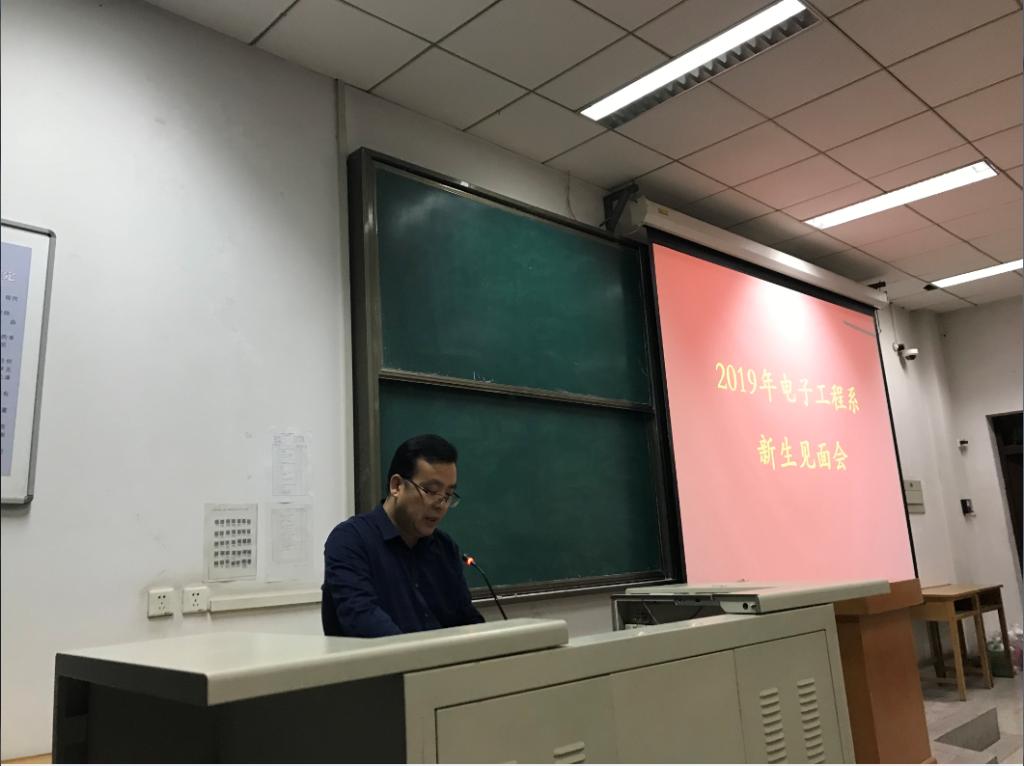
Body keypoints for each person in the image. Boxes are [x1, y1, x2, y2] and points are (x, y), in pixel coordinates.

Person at [322, 434, 484, 637]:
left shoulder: (444, 548)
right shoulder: (350, 541)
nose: (441, 504)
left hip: (438, 657)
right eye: (430, 490)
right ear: (396, 486)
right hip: (386, 657)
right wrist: (424, 655)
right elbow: (363, 621)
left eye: (448, 495)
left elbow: (466, 619)